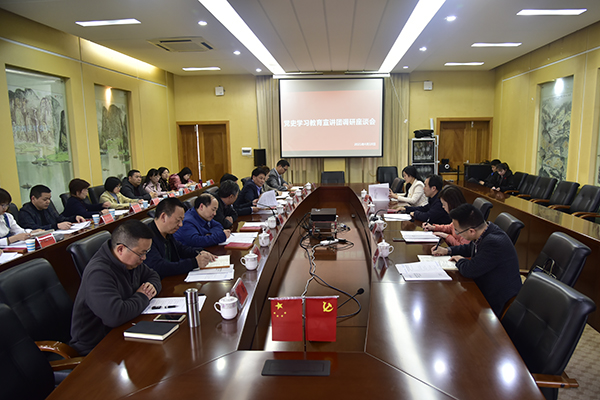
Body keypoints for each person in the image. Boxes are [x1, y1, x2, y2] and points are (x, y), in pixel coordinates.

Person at [70, 220, 161, 355]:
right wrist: (143, 296)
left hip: (126, 329)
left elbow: (153, 275)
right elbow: (115, 316)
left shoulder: (130, 261)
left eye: (146, 252)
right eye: (141, 253)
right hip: (97, 348)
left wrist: (152, 286)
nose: (144, 258)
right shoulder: (98, 273)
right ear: (120, 249)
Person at [432, 203, 522, 317]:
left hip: (495, 300)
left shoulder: (493, 242)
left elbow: (470, 270)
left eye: (458, 231)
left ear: (471, 231)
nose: (457, 234)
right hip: (484, 285)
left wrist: (460, 260)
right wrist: (447, 250)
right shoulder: (486, 231)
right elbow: (469, 248)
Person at [145, 198, 216, 279]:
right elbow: (159, 267)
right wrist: (194, 263)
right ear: (163, 217)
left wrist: (200, 252)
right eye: (178, 220)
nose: (181, 224)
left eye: (182, 220)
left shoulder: (167, 233)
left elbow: (181, 249)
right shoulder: (146, 237)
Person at [19, 185, 84, 230]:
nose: (48, 202)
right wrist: (56, 226)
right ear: (33, 198)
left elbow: (59, 219)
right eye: (45, 199)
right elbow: (33, 229)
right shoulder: (25, 212)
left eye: (49, 199)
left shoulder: (47, 207)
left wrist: (74, 218)